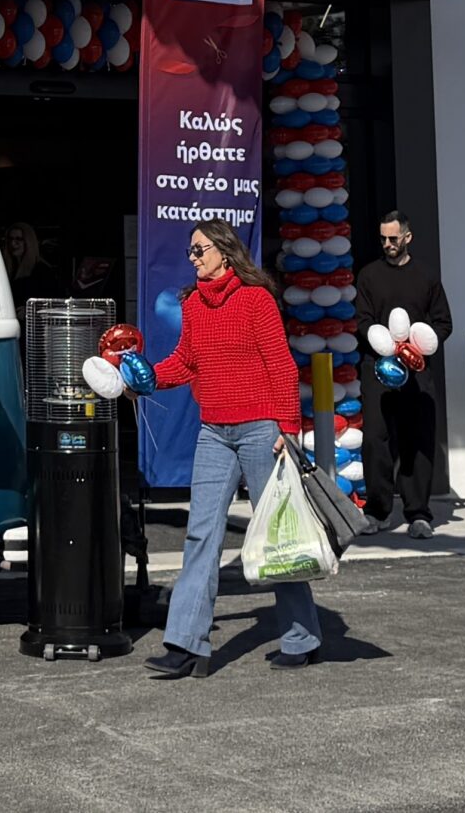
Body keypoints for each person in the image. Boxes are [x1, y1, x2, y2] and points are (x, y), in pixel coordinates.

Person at [135, 220, 318, 676]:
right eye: (190, 252)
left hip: (261, 431)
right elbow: (186, 362)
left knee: (277, 535)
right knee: (201, 534)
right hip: (214, 432)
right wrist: (148, 378)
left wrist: (288, 428)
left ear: (224, 250)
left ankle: (301, 637)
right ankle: (186, 644)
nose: (193, 258)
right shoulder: (193, 304)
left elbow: (281, 365)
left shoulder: (256, 300)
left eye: (199, 250)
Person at [353, 209, 454, 538]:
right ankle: (377, 511)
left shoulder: (426, 277)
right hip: (378, 368)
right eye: (383, 238)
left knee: (418, 439)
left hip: (417, 370)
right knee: (375, 440)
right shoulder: (369, 276)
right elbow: (363, 320)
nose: (387, 244)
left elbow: (443, 322)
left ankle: (418, 513)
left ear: (407, 237)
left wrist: (421, 344)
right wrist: (381, 341)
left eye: (393, 238)